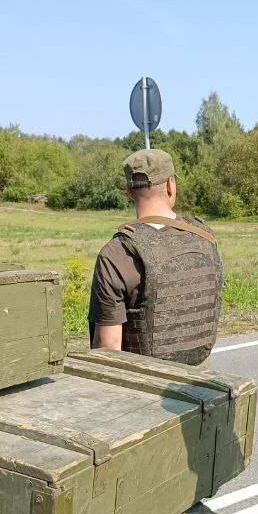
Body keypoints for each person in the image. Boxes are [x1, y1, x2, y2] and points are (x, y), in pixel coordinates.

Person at [88, 148, 223, 365]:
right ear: (170, 185)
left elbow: (108, 351)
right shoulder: (205, 237)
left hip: (144, 387)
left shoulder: (116, 253)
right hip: (202, 384)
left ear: (128, 191)